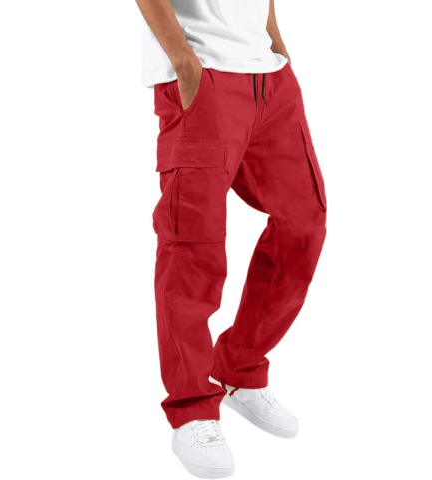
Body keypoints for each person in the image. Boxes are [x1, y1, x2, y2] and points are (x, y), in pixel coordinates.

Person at [135, 0, 327, 477]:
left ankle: (239, 370)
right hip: (203, 75)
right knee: (192, 245)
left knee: (303, 223)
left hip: (270, 79)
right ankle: (192, 409)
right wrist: (183, 62)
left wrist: (278, 50)